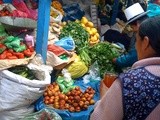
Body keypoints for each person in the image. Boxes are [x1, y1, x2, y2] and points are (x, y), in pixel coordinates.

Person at [90, 15, 160, 120]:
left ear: (145, 42)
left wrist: (104, 97)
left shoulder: (130, 81)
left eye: (137, 40)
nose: (136, 46)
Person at [112, 3, 148, 70]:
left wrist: (116, 60)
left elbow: (134, 55)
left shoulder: (143, 33)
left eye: (132, 27)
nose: (132, 29)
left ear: (137, 23)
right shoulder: (149, 25)